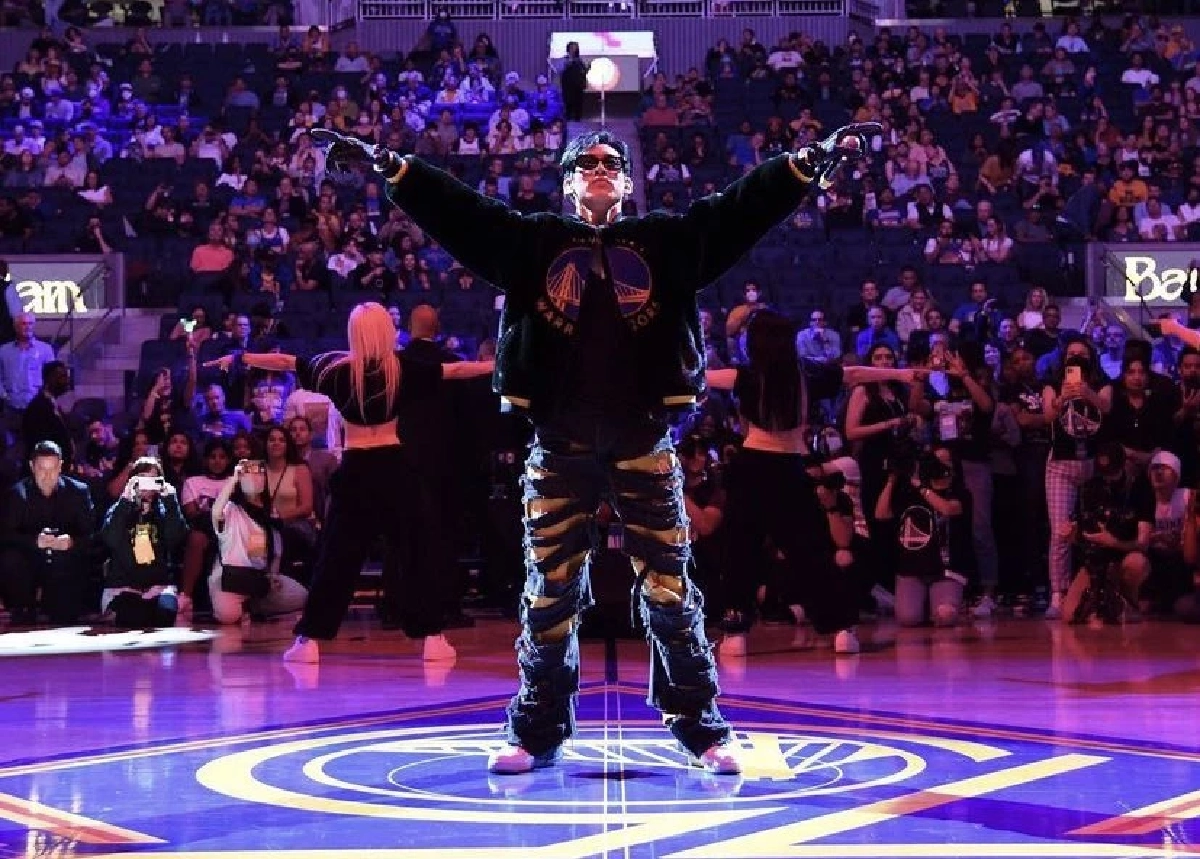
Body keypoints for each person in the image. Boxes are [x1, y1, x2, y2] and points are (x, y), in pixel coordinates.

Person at [309, 120, 880, 775]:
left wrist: (806, 161)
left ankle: (702, 727)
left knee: (671, 590)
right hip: (560, 440)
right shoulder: (534, 242)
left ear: (629, 182)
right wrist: (392, 165)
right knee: (548, 592)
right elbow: (460, 213)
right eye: (587, 162)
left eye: (611, 161)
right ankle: (535, 729)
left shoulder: (665, 241)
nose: (600, 168)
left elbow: (740, 210)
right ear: (568, 182)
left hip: (642, 436)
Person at [205, 302, 494, 662]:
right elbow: (458, 370)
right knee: (414, 554)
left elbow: (286, 362)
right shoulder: (402, 369)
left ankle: (309, 641)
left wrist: (241, 358)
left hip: (356, 469)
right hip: (395, 468)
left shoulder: (335, 370)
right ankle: (432, 637)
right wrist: (494, 365)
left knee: (336, 559)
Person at [707, 310, 925, 657]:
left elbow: (700, 377)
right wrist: (902, 373)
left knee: (741, 550)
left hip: (752, 468)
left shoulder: (747, 375)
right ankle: (840, 628)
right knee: (811, 550)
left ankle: (736, 632)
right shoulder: (805, 373)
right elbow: (853, 374)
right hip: (789, 467)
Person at [0, 440, 94, 625]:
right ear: (32, 467)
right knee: (10, 560)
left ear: (60, 466)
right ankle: (23, 608)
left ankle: (64, 606)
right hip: (30, 562)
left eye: (52, 469)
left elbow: (92, 535)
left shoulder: (78, 492)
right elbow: (5, 536)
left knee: (64, 614)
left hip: (64, 563)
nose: (47, 476)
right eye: (42, 469)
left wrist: (71, 542)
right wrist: (35, 541)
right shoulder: (17, 494)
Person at [208, 458, 308, 624]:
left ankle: (253, 606)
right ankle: (243, 605)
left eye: (259, 472)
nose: (254, 477)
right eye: (248, 473)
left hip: (260, 577)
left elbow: (272, 550)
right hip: (231, 578)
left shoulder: (270, 513)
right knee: (228, 615)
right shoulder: (232, 509)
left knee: (300, 596)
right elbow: (216, 512)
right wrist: (234, 479)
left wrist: (272, 575)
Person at [99, 456, 188, 628]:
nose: (147, 485)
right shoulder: (119, 508)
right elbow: (110, 539)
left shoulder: (165, 510)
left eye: (153, 479)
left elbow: (175, 538)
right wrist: (126, 499)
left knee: (165, 614)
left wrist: (171, 501)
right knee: (133, 616)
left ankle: (144, 608)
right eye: (142, 479)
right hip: (123, 585)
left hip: (158, 585)